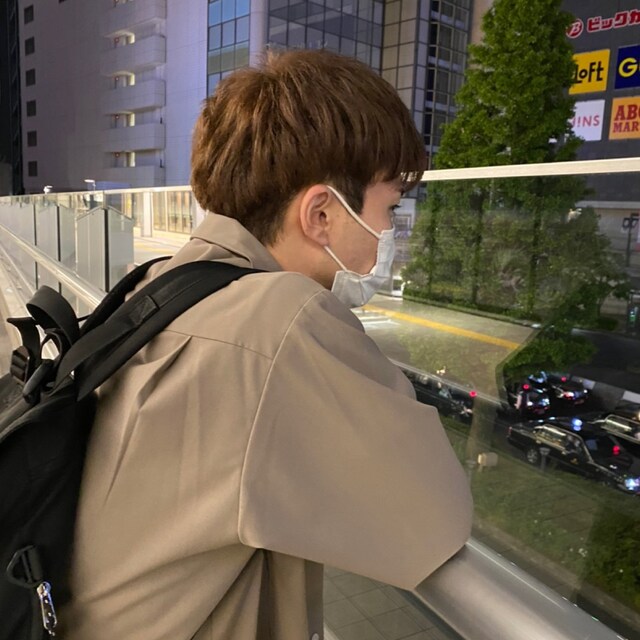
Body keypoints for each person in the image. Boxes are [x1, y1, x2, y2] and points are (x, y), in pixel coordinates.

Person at [59, 49, 472, 639]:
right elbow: (432, 520)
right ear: (321, 214)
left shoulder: (160, 283)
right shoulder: (282, 319)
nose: (390, 234)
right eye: (391, 208)